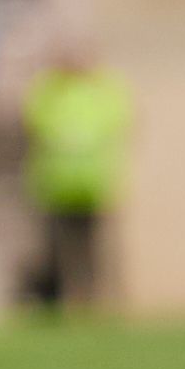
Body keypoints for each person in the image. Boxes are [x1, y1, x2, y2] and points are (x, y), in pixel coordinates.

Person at [22, 44, 132, 313]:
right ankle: (64, 302)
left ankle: (98, 301)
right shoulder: (51, 91)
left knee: (96, 249)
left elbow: (119, 119)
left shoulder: (102, 89)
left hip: (92, 184)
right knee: (59, 249)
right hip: (58, 185)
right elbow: (34, 119)